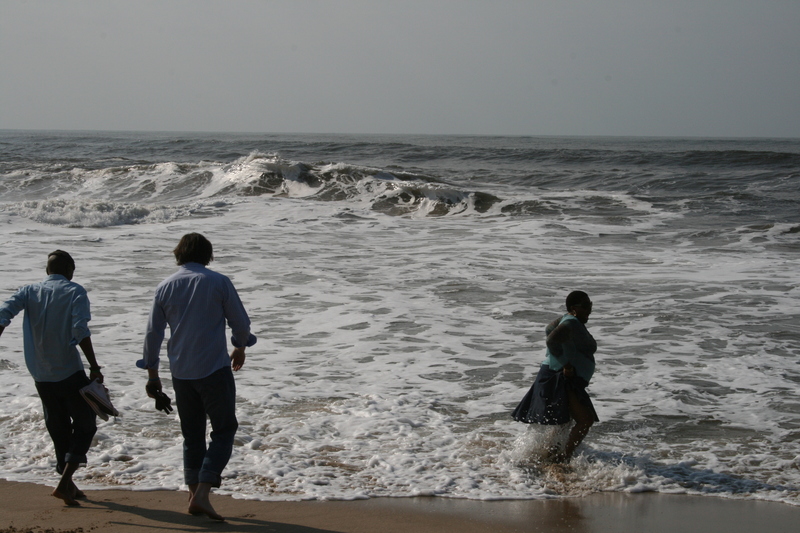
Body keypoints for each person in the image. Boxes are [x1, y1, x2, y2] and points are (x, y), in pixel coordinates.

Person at [138, 233, 256, 521]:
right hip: (213, 368)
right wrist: (239, 346)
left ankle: (193, 496)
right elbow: (240, 322)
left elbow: (153, 334)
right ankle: (202, 493)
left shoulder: (165, 286)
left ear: (179, 254)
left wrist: (153, 375)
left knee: (192, 435)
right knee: (224, 429)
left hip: (180, 372)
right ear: (208, 255)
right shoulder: (217, 282)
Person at [0, 250, 104, 506]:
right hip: (69, 371)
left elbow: (3, 314)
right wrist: (94, 366)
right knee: (86, 423)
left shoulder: (28, 291)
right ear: (70, 270)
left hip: (40, 373)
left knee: (58, 427)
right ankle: (64, 482)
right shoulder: (75, 291)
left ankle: (68, 485)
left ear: (48, 270)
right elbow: (80, 330)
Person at [512, 290, 599, 463]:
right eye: (586, 306)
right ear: (574, 308)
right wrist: (565, 365)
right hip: (562, 378)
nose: (590, 309)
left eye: (591, 305)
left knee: (565, 421)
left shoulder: (568, 319)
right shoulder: (572, 322)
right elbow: (552, 340)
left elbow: (549, 328)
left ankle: (550, 452)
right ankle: (563, 458)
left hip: (560, 376)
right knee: (584, 420)